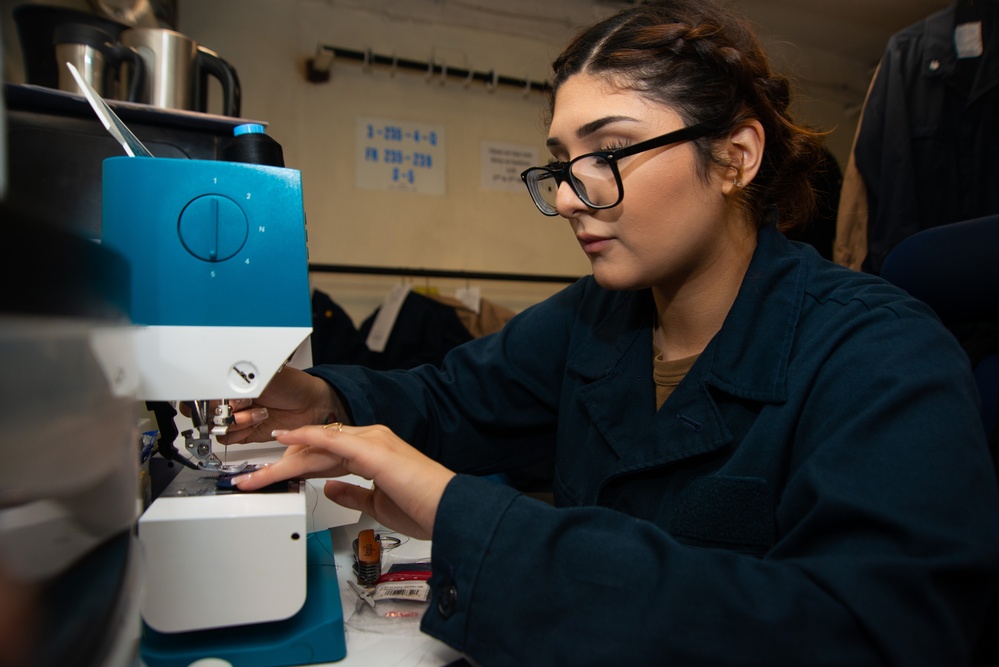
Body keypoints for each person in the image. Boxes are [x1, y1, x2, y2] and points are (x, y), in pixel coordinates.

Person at [223, 1, 999, 664]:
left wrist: (467, 516)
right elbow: (454, 397)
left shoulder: (881, 352)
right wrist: (322, 395)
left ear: (733, 157)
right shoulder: (593, 317)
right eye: (561, 163)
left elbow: (878, 635)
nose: (567, 197)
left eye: (611, 151)